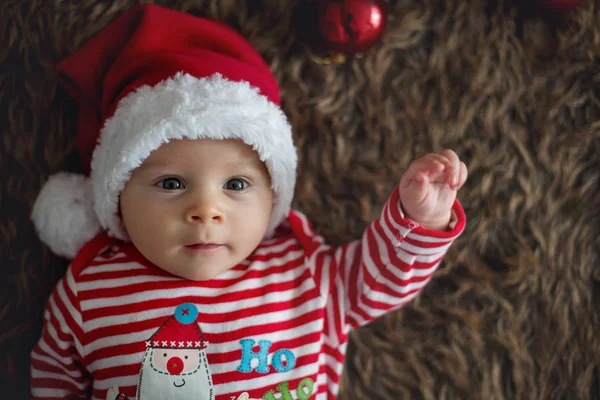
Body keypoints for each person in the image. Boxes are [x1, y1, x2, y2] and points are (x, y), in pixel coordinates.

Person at [29, 4, 467, 400]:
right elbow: (54, 379)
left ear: (274, 197)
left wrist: (418, 218)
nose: (205, 209)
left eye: (236, 185)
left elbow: (380, 279)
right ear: (117, 197)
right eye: (170, 183)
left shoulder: (302, 271)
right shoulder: (89, 291)